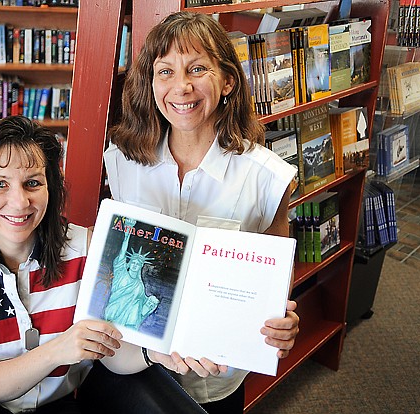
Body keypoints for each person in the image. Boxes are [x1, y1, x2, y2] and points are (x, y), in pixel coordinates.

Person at [0, 116, 196, 414]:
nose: (20, 202)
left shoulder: (86, 245)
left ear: (50, 188)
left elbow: (111, 351)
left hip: (60, 398)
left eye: (32, 183)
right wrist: (57, 351)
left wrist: (155, 353)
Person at [103, 11, 300, 413]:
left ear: (227, 80)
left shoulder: (268, 177)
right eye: (165, 72)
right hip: (134, 362)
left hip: (215, 378)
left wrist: (280, 319)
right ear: (150, 83)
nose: (182, 87)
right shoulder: (120, 162)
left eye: (197, 69)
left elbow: (278, 275)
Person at [103, 217, 159, 329]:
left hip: (129, 321)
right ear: (129, 263)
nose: (134, 265)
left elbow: (142, 305)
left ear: (141, 266)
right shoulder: (121, 272)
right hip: (114, 312)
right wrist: (128, 233)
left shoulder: (139, 285)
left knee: (138, 304)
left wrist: (152, 303)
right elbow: (123, 253)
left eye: (137, 264)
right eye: (133, 262)